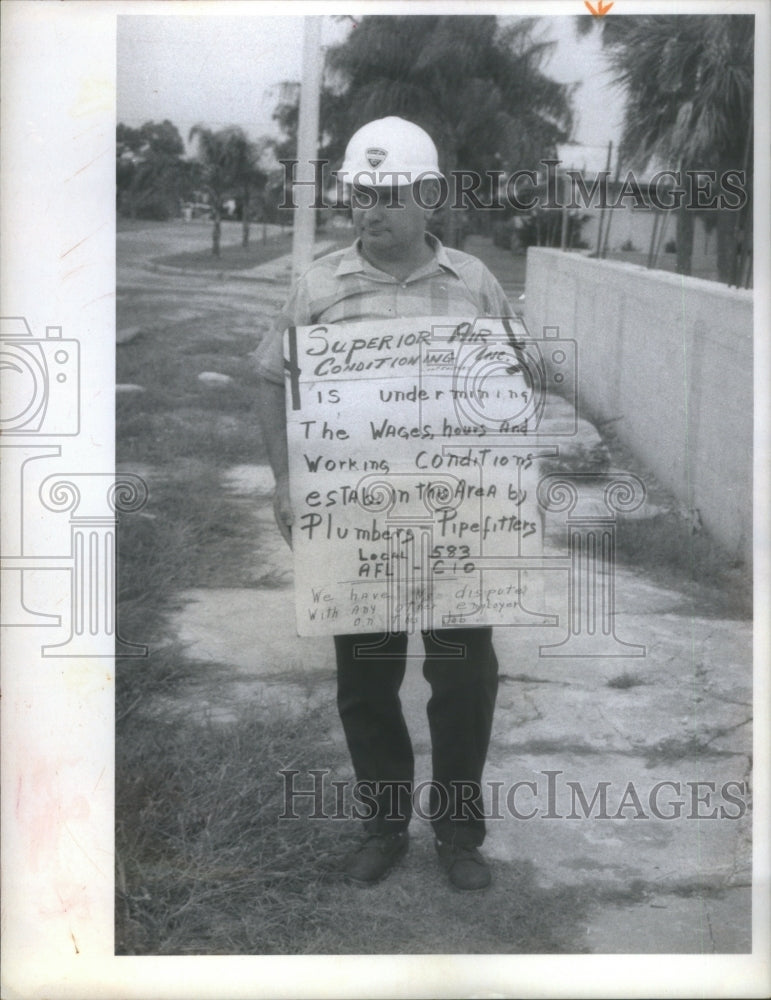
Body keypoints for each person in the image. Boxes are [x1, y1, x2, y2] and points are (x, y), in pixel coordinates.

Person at [255, 117, 515, 891]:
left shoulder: (473, 283)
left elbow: (514, 382)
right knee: (366, 679)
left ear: (429, 196)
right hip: (354, 523)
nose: (370, 210)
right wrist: (284, 479)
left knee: (464, 679)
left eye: (389, 195)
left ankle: (459, 835)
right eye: (359, 195)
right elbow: (272, 380)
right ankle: (382, 826)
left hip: (455, 523)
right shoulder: (320, 286)